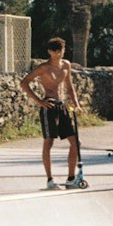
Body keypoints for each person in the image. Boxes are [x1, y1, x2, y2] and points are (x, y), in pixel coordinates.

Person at [20, 37, 82, 190]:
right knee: (49, 142)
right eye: (56, 51)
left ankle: (70, 178)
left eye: (61, 50)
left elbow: (69, 87)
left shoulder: (66, 65)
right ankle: (49, 180)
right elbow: (24, 82)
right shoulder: (44, 68)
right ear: (50, 52)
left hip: (62, 106)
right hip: (48, 106)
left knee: (75, 142)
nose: (59, 53)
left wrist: (77, 104)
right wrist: (39, 101)